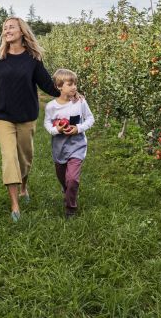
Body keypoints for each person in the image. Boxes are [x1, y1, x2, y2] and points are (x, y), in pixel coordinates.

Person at [0, 17, 60, 222]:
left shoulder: (33, 58)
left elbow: (47, 85)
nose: (7, 30)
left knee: (25, 157)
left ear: (22, 32)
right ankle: (14, 205)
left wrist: (68, 93)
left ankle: (24, 187)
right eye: (5, 28)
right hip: (3, 115)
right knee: (9, 157)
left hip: (26, 115)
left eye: (11, 27)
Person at [44, 68, 94, 218]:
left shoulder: (80, 102)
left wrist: (78, 128)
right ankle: (68, 191)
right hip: (60, 149)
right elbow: (47, 124)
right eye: (70, 84)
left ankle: (70, 208)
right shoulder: (51, 106)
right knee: (63, 178)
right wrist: (56, 129)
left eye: (75, 84)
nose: (74, 87)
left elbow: (90, 119)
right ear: (59, 86)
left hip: (77, 146)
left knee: (72, 179)